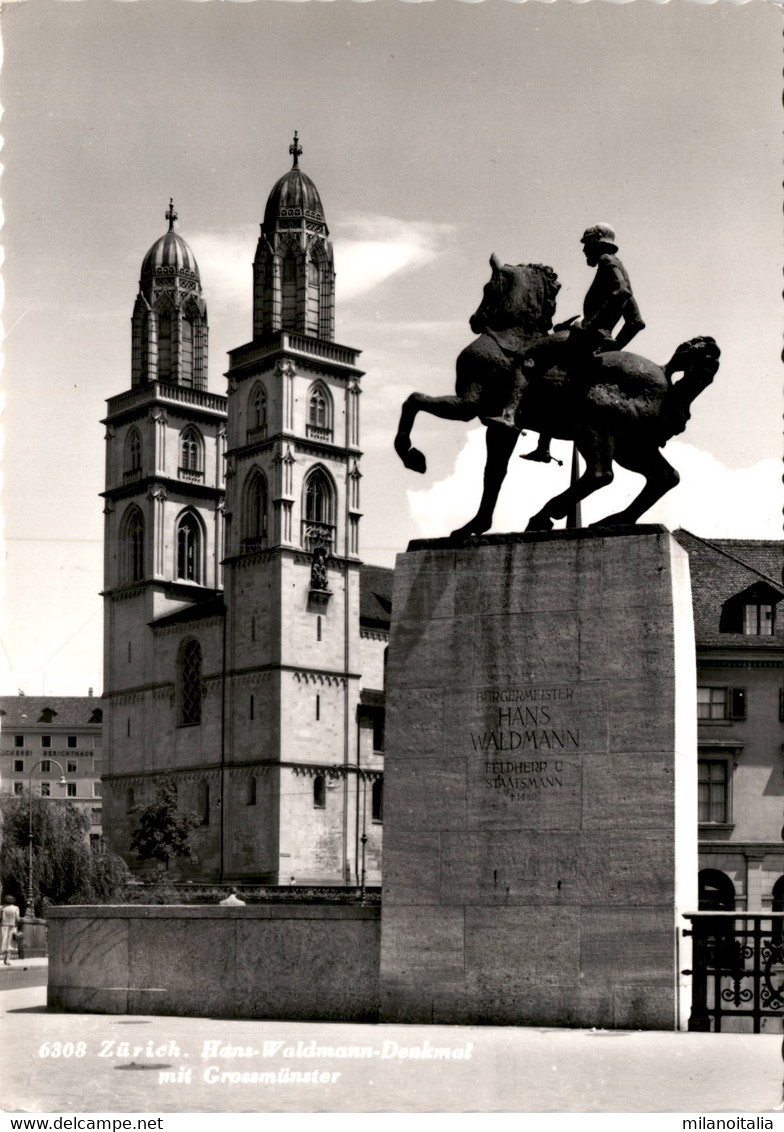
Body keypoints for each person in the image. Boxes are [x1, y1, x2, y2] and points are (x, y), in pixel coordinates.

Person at [520, 224, 645, 462]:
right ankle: (543, 447)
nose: (584, 250)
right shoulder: (617, 267)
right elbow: (636, 322)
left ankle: (510, 414)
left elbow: (622, 292)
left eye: (586, 244)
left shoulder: (609, 262)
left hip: (588, 336)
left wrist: (591, 327)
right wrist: (614, 346)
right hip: (598, 339)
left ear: (598, 242)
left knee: (532, 353)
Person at [1, 895, 20, 965]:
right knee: (10, 943)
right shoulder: (15, 908)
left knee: (3, 942)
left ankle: (3, 957)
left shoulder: (2, 908)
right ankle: (7, 959)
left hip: (3, 926)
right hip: (12, 927)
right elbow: (18, 919)